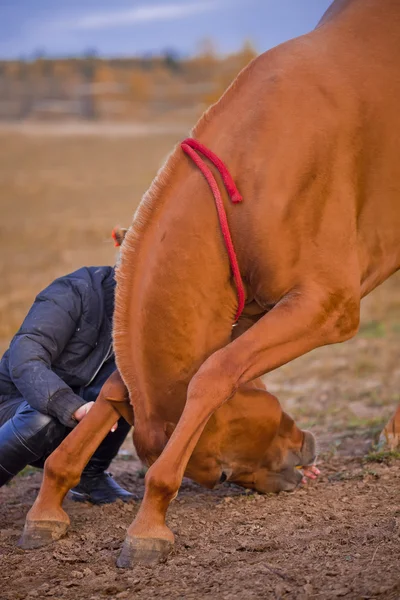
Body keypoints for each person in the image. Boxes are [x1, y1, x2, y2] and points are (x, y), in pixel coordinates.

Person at [0, 257, 133, 504]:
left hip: (75, 420)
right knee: (42, 418)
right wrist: (71, 406)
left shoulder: (147, 318)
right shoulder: (73, 292)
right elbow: (25, 358)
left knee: (134, 384)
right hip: (12, 411)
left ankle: (89, 476)